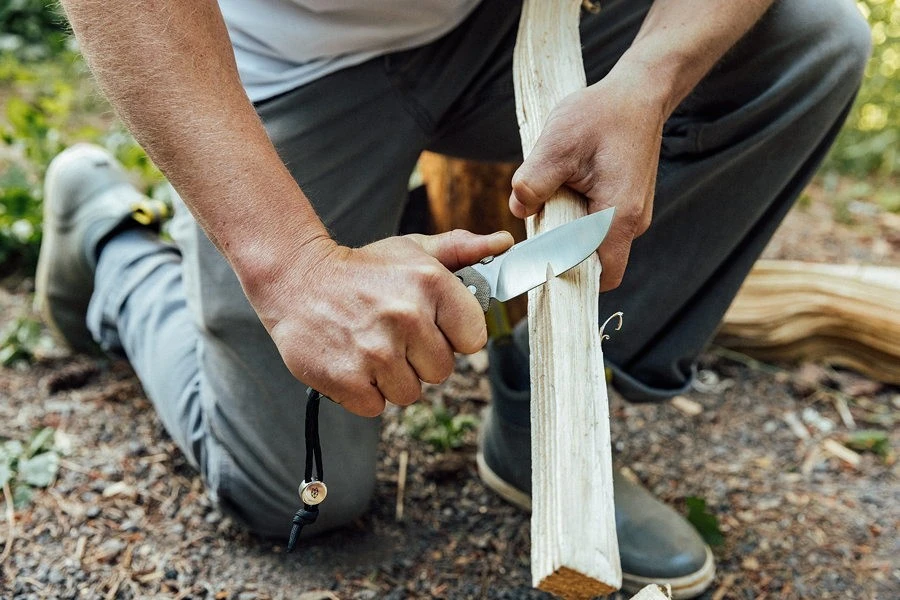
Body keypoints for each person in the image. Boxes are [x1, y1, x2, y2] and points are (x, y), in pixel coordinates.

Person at [36, 0, 870, 597]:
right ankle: (109, 239)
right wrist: (292, 270)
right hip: (276, 62)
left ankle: (543, 416)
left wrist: (650, 80)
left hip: (495, 22)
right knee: (294, 497)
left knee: (812, 39)